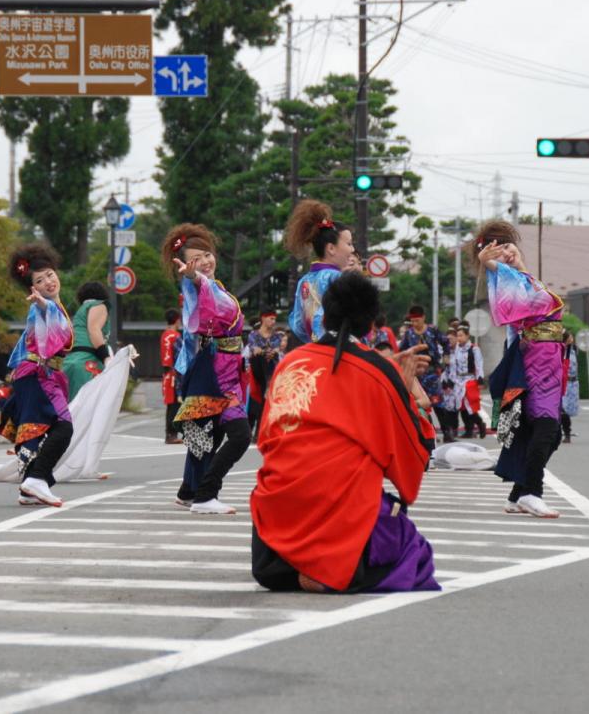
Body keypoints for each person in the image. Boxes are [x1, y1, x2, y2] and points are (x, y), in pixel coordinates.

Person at [251, 271, 440, 593]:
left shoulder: (291, 361)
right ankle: (331, 568)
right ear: (371, 323)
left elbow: (266, 437)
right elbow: (418, 447)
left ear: (326, 313)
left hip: (274, 529)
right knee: (417, 556)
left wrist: (389, 372)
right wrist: (405, 389)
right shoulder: (379, 371)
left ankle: (296, 567)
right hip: (340, 511)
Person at [477, 220, 565, 519]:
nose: (506, 253)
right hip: (536, 362)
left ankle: (518, 494)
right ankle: (531, 492)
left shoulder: (525, 278)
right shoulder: (507, 279)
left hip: (551, 362)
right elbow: (499, 280)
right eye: (498, 250)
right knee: (546, 426)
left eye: (507, 245)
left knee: (547, 431)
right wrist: (489, 263)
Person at [163, 223, 251, 515]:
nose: (206, 261)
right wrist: (194, 276)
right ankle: (205, 495)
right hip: (216, 371)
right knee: (238, 436)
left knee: (208, 434)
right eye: (197, 258)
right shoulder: (197, 286)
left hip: (224, 366)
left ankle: (189, 491)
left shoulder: (215, 286)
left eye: (208, 254)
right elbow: (201, 288)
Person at [0, 245, 76, 507]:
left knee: (37, 429)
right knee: (63, 426)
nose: (48, 282)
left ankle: (29, 486)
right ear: (33, 289)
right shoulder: (42, 307)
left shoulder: (55, 305)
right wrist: (44, 307)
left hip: (37, 373)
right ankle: (37, 479)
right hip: (39, 373)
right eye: (39, 281)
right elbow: (47, 338)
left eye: (50, 275)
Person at [285, 200, 355, 343]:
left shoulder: (304, 281)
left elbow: (297, 325)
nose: (352, 250)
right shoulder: (338, 278)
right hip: (339, 352)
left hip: (313, 351)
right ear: (331, 248)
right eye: (349, 244)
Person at [63, 281, 110, 402]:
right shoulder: (99, 305)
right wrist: (106, 357)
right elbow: (94, 330)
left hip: (70, 362)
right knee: (88, 411)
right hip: (87, 363)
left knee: (71, 411)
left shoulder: (80, 312)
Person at [245, 309, 284, 440]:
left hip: (271, 370)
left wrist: (269, 351)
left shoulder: (277, 336)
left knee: (262, 401)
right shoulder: (253, 335)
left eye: (274, 319)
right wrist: (261, 351)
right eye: (271, 319)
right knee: (260, 357)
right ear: (263, 318)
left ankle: (259, 433)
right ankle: (267, 384)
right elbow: (254, 349)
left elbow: (276, 350)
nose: (273, 321)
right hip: (258, 372)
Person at [399, 305, 446, 407]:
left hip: (432, 372)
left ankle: (444, 423)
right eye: (413, 321)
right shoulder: (408, 333)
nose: (415, 324)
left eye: (417, 320)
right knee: (419, 405)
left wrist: (446, 359)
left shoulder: (432, 330)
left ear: (423, 318)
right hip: (416, 374)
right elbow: (401, 351)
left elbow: (445, 342)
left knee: (438, 405)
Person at [161, 309, 184, 444]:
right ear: (177, 320)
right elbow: (180, 357)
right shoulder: (176, 336)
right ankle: (172, 434)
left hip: (166, 374)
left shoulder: (164, 335)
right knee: (175, 405)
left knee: (170, 405)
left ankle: (169, 433)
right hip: (175, 374)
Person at [560, 330, 579, 443]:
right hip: (563, 382)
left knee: (568, 410)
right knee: (562, 409)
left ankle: (567, 433)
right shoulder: (559, 349)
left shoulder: (574, 350)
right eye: (569, 337)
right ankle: (565, 433)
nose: (572, 338)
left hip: (573, 383)